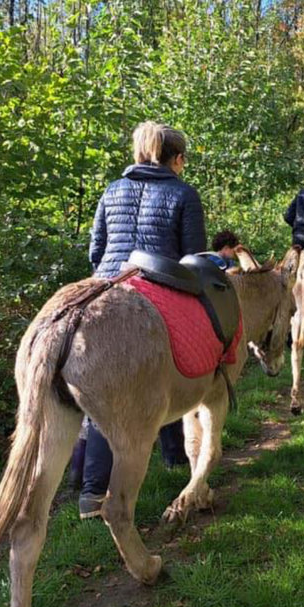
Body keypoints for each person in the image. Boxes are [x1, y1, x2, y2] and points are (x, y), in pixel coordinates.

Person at [78, 121, 207, 520]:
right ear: (177, 159)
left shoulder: (111, 190)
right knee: (172, 369)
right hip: (156, 293)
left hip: (102, 289)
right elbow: (193, 259)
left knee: (96, 389)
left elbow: (95, 249)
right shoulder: (183, 193)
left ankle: (90, 487)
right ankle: (97, 491)